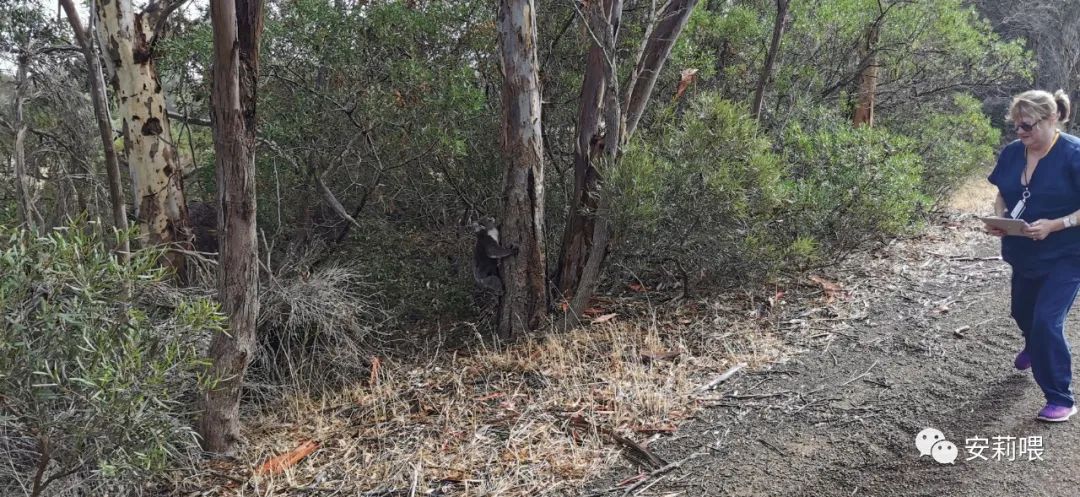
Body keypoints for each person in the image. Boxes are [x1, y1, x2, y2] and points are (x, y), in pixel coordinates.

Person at [986, 89, 1080, 422]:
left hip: (1067, 255)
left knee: (1046, 321)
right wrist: (1002, 218)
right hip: (1024, 252)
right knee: (1022, 312)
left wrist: (1056, 224)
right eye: (1016, 126)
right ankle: (1034, 344)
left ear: (1052, 119)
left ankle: (1060, 398)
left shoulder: (1073, 154)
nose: (1021, 133)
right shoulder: (1014, 152)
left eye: (1027, 126)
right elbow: (1002, 193)